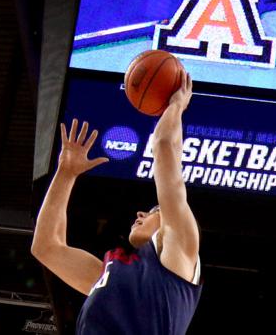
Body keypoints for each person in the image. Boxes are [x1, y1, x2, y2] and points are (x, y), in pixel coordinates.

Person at [31, 71, 201, 334]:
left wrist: (176, 106)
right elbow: (46, 247)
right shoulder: (112, 271)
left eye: (154, 209)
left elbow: (165, 148)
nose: (141, 212)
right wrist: (65, 174)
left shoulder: (180, 252)